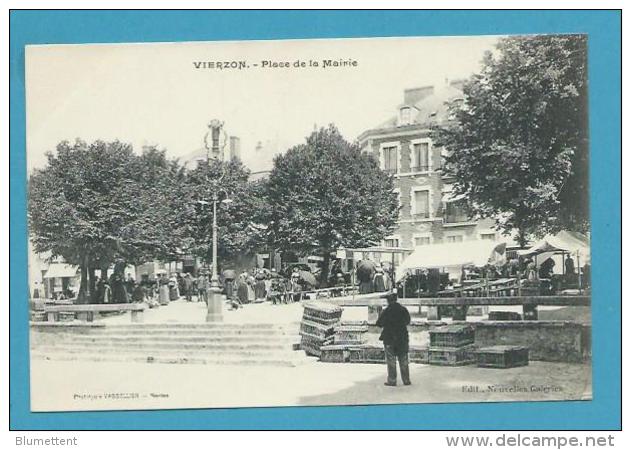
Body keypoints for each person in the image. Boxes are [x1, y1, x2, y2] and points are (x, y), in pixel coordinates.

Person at [376, 292, 411, 387]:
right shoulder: (403, 309)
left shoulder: (386, 311)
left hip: (389, 338)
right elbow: (408, 321)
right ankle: (406, 380)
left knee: (391, 360)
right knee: (403, 359)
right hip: (402, 338)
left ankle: (392, 380)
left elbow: (379, 323)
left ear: (388, 301)